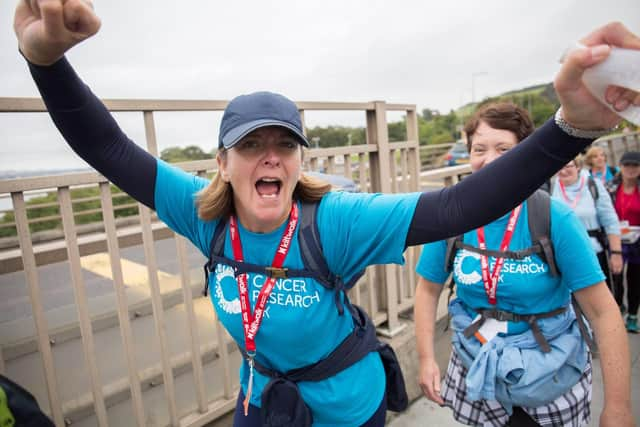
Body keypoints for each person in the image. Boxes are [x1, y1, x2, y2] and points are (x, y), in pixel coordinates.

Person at [13, 1, 640, 425]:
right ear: (223, 162)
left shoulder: (333, 220)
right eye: (251, 144)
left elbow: (457, 204)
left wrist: (569, 129)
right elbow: (108, 148)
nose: (271, 157)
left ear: (297, 158)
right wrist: (45, 61)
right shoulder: (203, 214)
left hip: (349, 404)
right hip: (265, 397)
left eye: (284, 143)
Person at [414, 102, 634, 427]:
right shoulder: (452, 216)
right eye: (479, 149)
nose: (489, 161)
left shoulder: (554, 219)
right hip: (477, 369)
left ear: (525, 157)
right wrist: (426, 359)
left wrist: (618, 407)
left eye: (504, 149)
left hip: (551, 374)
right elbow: (428, 290)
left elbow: (603, 312)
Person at [552, 156, 623, 299]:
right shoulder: (552, 187)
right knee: (574, 299)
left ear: (578, 167)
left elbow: (610, 221)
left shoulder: (593, 185)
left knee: (600, 298)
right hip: (565, 254)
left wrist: (616, 253)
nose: (563, 171)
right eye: (560, 167)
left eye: (568, 166)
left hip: (594, 252)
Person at [607, 151, 640, 333]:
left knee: (635, 280)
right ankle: (617, 308)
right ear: (621, 166)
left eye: (635, 165)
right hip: (616, 239)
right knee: (616, 278)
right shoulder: (610, 187)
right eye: (627, 165)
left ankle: (633, 316)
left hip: (637, 242)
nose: (631, 169)